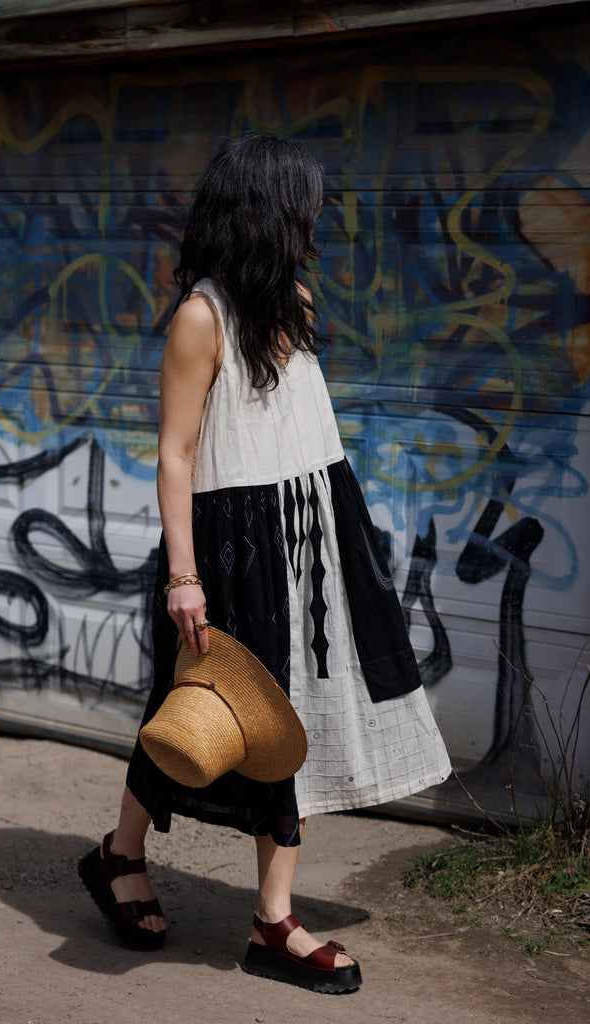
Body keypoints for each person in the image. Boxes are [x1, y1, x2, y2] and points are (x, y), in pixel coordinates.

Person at [78, 132, 451, 995]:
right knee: (213, 712)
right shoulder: (201, 316)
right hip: (229, 543)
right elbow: (175, 453)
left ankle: (127, 859)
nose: (316, 216)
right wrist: (182, 574)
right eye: (305, 203)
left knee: (284, 711)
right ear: (269, 211)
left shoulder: (291, 299)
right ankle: (265, 921)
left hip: (309, 532)